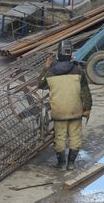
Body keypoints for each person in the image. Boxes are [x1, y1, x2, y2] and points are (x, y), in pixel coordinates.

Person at [38, 39, 92, 170]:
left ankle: (61, 164)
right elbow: (86, 92)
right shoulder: (78, 70)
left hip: (59, 111)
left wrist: (45, 67)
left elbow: (41, 85)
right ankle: (71, 164)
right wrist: (87, 108)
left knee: (60, 137)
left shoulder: (50, 72)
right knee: (75, 136)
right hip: (75, 110)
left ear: (58, 54)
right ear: (70, 54)